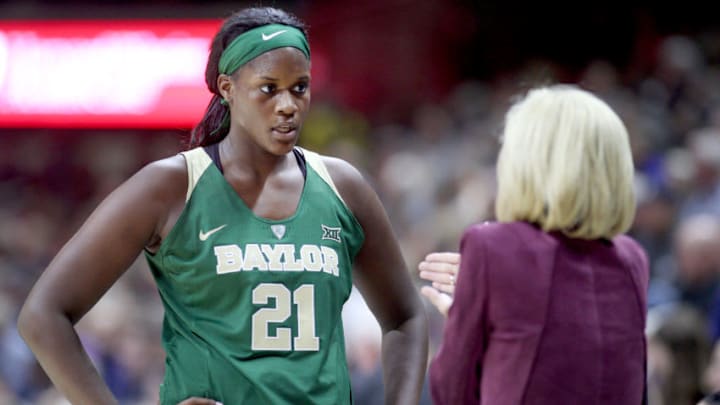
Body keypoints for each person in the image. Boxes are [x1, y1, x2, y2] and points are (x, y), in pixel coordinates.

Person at [16, 7, 428, 405]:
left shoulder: (343, 187)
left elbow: (406, 317)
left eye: (299, 87)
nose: (288, 105)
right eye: (269, 88)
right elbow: (43, 315)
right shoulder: (172, 185)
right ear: (227, 89)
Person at [418, 84, 649, 404]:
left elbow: (453, 392)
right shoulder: (632, 257)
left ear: (522, 165)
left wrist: (464, 318)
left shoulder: (491, 246)